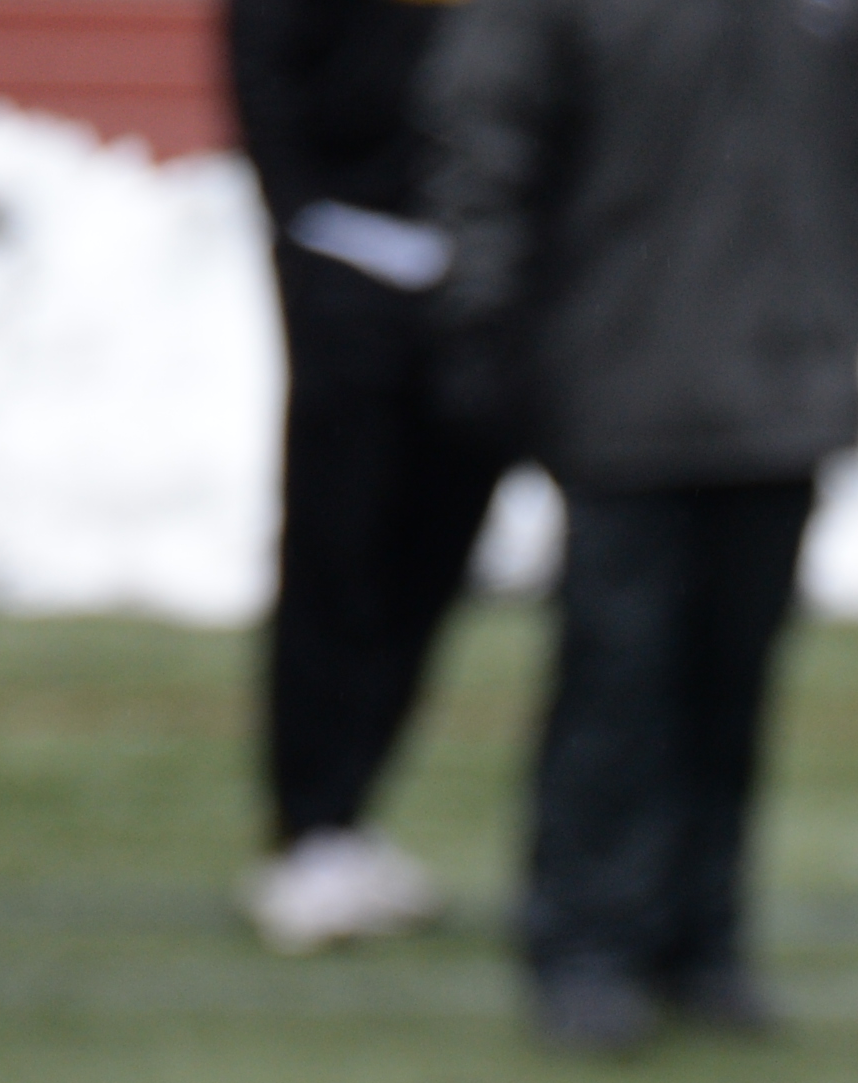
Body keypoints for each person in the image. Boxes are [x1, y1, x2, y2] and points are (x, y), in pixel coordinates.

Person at [425, 0, 858, 1056]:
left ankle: (701, 934)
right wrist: (484, 315)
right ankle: (584, 941)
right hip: (624, 373)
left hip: (785, 385)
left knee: (732, 683)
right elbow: (487, 134)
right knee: (617, 680)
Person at [226, 0, 508, 956]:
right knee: (336, 552)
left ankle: (352, 808)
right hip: (352, 258)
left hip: (474, 268)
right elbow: (267, 70)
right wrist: (301, 235)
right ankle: (308, 824)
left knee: (435, 555)